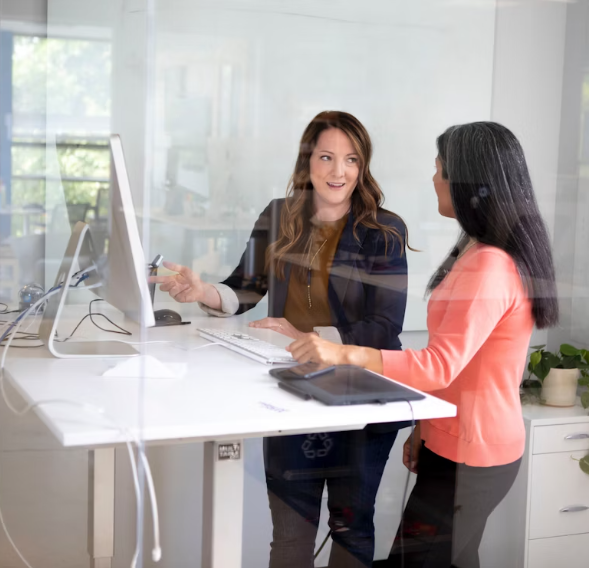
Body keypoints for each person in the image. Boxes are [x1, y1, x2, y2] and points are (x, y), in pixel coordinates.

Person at [286, 121, 559, 568]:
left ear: (471, 183)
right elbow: (461, 363)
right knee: (454, 558)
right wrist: (424, 428)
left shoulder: (490, 263)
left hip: (474, 452)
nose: (434, 179)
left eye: (440, 170)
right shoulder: (477, 247)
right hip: (454, 442)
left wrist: (340, 352)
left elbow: (440, 364)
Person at [151, 110, 412, 567]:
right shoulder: (279, 215)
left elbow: (384, 326)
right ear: (307, 161)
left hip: (362, 393)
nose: (338, 171)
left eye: (351, 160)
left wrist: (306, 335)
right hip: (295, 392)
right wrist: (202, 291)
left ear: (363, 165)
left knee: (352, 529)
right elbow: (245, 288)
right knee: (291, 535)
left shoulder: (383, 231)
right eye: (327, 157)